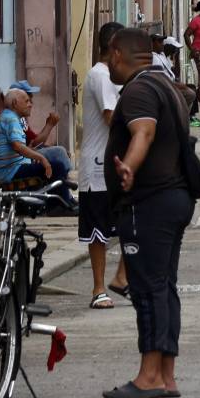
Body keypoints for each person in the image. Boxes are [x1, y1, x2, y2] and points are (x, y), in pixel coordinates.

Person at [102, 28, 194, 398]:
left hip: (149, 204)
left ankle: (149, 376)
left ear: (118, 54)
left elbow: (143, 133)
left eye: (109, 56)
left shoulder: (139, 90)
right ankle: (167, 375)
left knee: (148, 289)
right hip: (175, 199)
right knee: (165, 286)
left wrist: (128, 167)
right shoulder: (167, 86)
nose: (108, 63)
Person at [79, 21, 128, 310]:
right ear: (114, 48)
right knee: (98, 231)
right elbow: (113, 118)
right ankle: (99, 288)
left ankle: (124, 278)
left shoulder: (115, 77)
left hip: (114, 162)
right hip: (98, 165)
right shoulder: (101, 77)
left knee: (131, 222)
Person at [0, 88, 77, 208]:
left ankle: (64, 201)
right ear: (15, 103)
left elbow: (25, 145)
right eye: (27, 101)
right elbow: (17, 146)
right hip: (11, 172)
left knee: (56, 162)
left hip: (13, 168)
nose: (30, 105)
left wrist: (36, 156)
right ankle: (58, 207)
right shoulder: (10, 119)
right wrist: (41, 158)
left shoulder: (10, 117)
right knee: (57, 166)